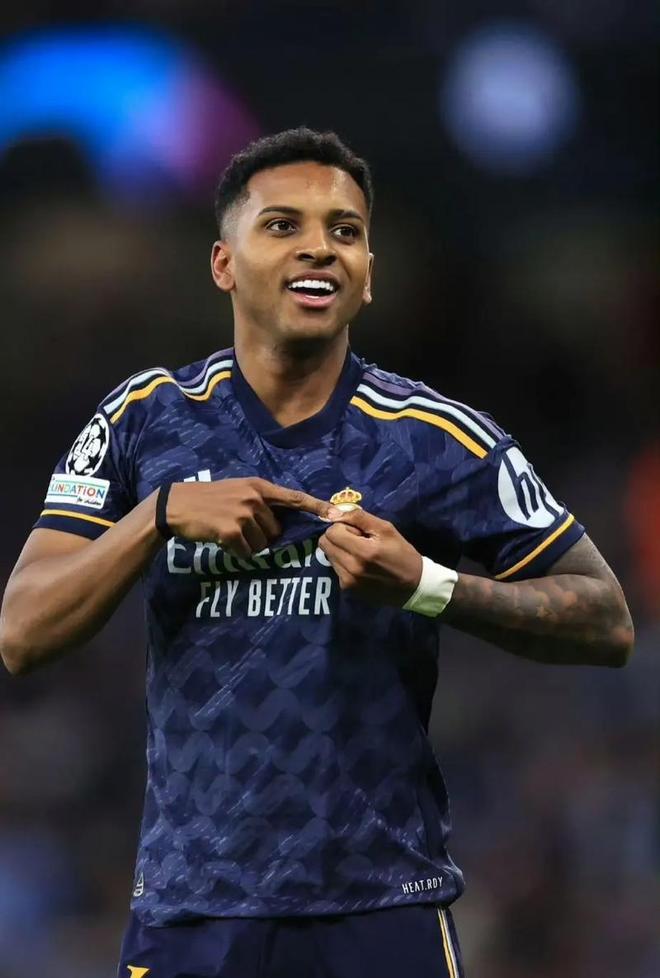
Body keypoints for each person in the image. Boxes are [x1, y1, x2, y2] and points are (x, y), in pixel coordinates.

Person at [0, 127, 634, 978]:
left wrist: (427, 585)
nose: (319, 247)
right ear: (223, 263)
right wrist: (158, 515)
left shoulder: (435, 439)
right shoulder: (143, 420)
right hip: (192, 919)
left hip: (380, 915)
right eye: (282, 225)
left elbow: (607, 620)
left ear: (367, 275)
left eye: (345, 231)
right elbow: (21, 633)